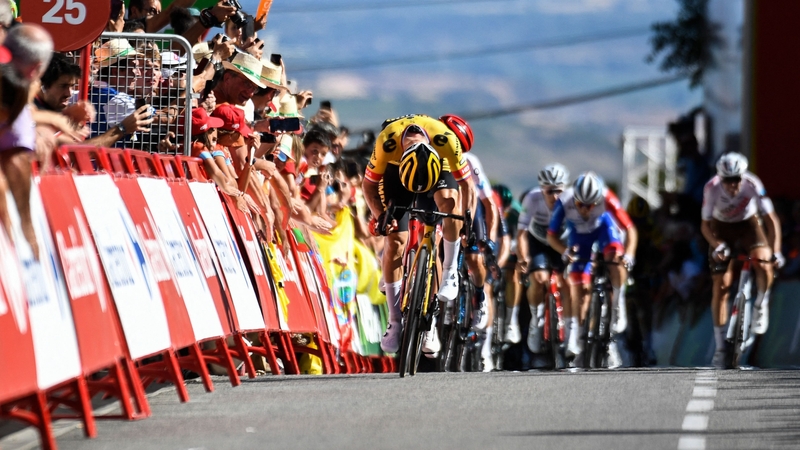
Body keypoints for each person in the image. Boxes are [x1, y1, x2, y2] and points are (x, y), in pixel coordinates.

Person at [363, 113, 477, 357]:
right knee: (395, 240)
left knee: (449, 206)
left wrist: (466, 219)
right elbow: (369, 185)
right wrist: (380, 216)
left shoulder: (446, 140)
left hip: (437, 169)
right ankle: (394, 322)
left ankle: (448, 274)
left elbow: (467, 186)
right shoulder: (387, 142)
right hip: (397, 173)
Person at [700, 152, 783, 368]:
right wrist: (717, 245)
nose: (732, 185)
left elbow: (771, 220)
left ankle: (761, 303)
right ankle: (720, 348)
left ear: (743, 177)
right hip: (721, 228)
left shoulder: (753, 184)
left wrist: (776, 251)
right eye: (727, 180)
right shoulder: (711, 188)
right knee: (722, 285)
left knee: (763, 261)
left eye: (736, 179)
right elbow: (705, 225)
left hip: (749, 225)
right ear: (720, 178)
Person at [547, 171, 638, 368]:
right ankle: (579, 340)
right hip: (580, 238)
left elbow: (630, 229)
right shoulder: (565, 201)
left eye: (591, 205)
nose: (585, 209)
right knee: (578, 287)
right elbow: (551, 236)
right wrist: (564, 252)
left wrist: (629, 255)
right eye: (580, 205)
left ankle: (618, 303)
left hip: (604, 229)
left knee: (614, 258)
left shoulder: (607, 198)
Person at [516, 164, 573, 355]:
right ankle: (536, 319)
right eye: (549, 191)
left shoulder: (572, 200)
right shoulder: (532, 199)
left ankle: (570, 326)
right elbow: (522, 233)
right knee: (538, 279)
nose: (555, 196)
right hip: (538, 241)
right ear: (542, 189)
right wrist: (523, 257)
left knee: (569, 282)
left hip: (563, 242)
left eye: (559, 190)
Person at [463, 151, 500, 371]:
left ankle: (479, 296)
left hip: (472, 211)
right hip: (446, 206)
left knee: (474, 259)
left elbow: (489, 205)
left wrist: (490, 241)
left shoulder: (470, 161)